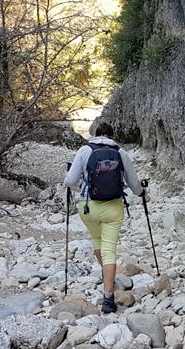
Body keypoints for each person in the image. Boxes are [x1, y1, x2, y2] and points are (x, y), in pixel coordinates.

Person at [64, 121, 144, 313]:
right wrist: (142, 191)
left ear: (95, 134)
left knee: (97, 241)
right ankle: (108, 297)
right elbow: (134, 185)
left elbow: (70, 181)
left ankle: (108, 275)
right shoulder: (121, 153)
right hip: (112, 208)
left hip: (87, 207)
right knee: (109, 250)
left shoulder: (84, 150)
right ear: (112, 136)